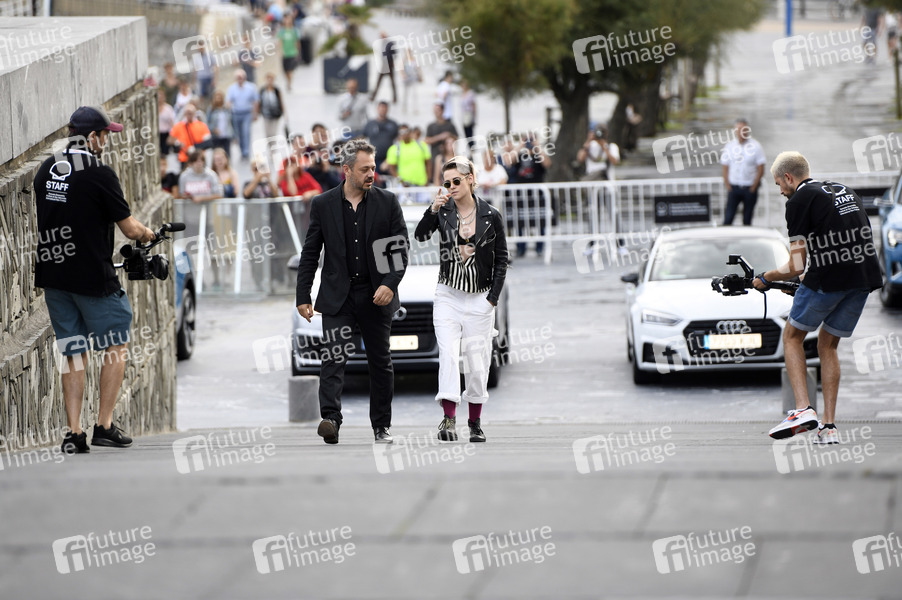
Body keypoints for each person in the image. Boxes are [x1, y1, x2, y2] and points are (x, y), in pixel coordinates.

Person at [34, 106, 157, 454]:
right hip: (91, 276)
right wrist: (147, 234)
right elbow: (129, 228)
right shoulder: (99, 173)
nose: (106, 141)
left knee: (73, 350)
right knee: (116, 342)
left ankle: (73, 432)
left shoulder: (47, 168)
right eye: (105, 135)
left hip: (54, 276)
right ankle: (103, 425)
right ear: (92, 137)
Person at [754, 152, 883, 442]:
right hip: (864, 278)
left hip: (830, 278)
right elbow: (840, 242)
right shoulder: (842, 190)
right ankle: (829, 427)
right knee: (827, 344)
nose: (780, 191)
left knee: (792, 336)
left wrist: (766, 277)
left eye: (779, 184)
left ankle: (803, 410)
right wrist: (804, 281)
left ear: (788, 177)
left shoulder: (798, 201)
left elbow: (795, 265)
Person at [295, 139, 409, 445]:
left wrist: (389, 284)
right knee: (333, 358)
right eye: (364, 169)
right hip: (338, 296)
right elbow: (310, 253)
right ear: (346, 170)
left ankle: (381, 426)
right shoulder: (323, 204)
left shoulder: (387, 202)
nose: (371, 173)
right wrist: (303, 295)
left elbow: (400, 251)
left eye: (373, 167)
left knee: (380, 362)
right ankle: (331, 419)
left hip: (376, 295)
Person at [414, 155, 508, 443]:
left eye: (456, 181)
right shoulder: (443, 212)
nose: (451, 187)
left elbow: (501, 259)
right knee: (448, 355)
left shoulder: (491, 215)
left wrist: (492, 299)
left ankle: (475, 422)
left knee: (478, 364)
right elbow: (420, 236)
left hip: (480, 298)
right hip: (448, 295)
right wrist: (433, 208)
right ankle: (449, 419)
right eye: (447, 183)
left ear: (470, 179)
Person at [721, 118, 766, 226]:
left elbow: (761, 168)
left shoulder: (756, 146)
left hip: (749, 188)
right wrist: (728, 185)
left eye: (744, 129)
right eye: (739, 129)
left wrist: (754, 187)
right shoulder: (730, 146)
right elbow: (725, 166)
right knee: (728, 218)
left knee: (747, 219)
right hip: (734, 187)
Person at [225, 70, 259, 161]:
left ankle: (246, 151)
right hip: (236, 113)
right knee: (238, 134)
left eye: (241, 78)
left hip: (247, 113)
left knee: (246, 131)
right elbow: (228, 101)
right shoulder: (232, 88)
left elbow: (255, 101)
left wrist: (255, 113)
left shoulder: (251, 87)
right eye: (238, 78)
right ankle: (241, 150)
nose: (240, 79)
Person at [362, 101, 399, 180]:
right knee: (374, 181)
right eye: (381, 108)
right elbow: (362, 139)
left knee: (390, 181)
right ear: (377, 109)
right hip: (374, 159)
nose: (383, 110)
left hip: (389, 159)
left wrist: (389, 159)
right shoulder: (370, 124)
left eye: (385, 108)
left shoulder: (393, 124)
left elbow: (399, 142)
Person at [371, 32, 398, 103]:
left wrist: (392, 62)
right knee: (379, 81)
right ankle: (373, 97)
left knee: (392, 82)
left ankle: (395, 98)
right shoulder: (382, 43)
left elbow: (395, 53)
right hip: (384, 63)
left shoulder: (390, 43)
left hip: (389, 63)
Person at [207, 90, 234, 159]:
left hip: (226, 135)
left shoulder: (226, 108)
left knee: (227, 155)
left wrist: (234, 134)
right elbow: (207, 122)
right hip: (216, 136)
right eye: (217, 97)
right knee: (217, 155)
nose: (218, 98)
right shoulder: (211, 109)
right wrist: (213, 129)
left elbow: (232, 121)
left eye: (220, 97)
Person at [259, 72, 285, 140]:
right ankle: (269, 144)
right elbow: (259, 101)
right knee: (267, 133)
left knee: (273, 133)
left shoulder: (276, 90)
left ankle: (273, 145)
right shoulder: (263, 90)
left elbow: (281, 101)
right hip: (266, 114)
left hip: (275, 114)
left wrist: (284, 113)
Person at [278, 13, 300, 91]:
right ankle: (288, 80)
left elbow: (297, 41)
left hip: (292, 53)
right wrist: (280, 51)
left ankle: (289, 84)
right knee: (285, 70)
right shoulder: (282, 31)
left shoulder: (294, 30)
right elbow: (280, 42)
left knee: (290, 70)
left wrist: (298, 51)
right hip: (285, 53)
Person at [401, 47, 422, 114]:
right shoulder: (404, 60)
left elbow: (418, 68)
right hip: (407, 79)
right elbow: (401, 69)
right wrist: (404, 75)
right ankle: (404, 107)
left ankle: (415, 108)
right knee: (405, 94)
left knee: (414, 94)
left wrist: (420, 76)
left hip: (413, 78)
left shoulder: (414, 59)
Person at [158, 88, 176, 155]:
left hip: (166, 134)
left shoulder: (168, 109)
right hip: (156, 134)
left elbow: (172, 123)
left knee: (165, 153)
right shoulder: (153, 108)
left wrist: (172, 136)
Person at [460, 79, 476, 145]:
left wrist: (474, 117)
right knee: (466, 133)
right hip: (464, 115)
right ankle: (469, 147)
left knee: (470, 133)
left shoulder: (470, 93)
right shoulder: (462, 94)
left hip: (469, 114)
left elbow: (474, 105)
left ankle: (472, 147)